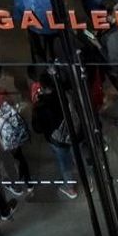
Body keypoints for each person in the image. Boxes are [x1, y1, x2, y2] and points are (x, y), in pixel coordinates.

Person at [30, 69, 80, 198]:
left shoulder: (42, 106)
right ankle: (85, 178)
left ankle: (70, 188)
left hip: (57, 139)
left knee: (64, 162)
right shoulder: (64, 93)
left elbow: (38, 128)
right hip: (74, 132)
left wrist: (34, 108)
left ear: (43, 87)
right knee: (75, 155)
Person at [13, 0, 60, 64]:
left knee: (37, 46)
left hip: (36, 30)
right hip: (54, 28)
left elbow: (17, 17)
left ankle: (41, 58)